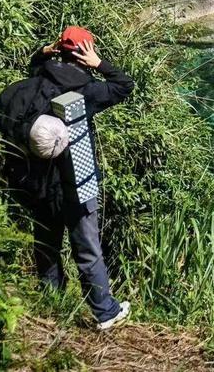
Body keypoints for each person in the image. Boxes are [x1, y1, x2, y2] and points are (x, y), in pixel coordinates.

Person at [25, 25, 134, 331]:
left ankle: (51, 301)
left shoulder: (40, 77)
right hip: (76, 180)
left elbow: (34, 64)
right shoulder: (85, 90)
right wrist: (100, 64)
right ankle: (105, 311)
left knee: (46, 242)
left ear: (59, 50)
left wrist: (44, 52)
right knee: (87, 248)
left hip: (42, 179)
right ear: (84, 55)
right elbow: (124, 85)